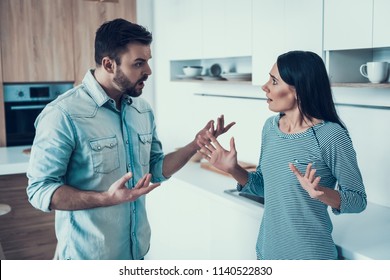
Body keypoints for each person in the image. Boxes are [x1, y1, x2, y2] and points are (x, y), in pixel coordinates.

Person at [26, 18, 234, 260]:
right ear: (109, 64)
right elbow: (40, 190)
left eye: (147, 61)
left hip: (135, 255)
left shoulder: (142, 110)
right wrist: (106, 199)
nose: (148, 71)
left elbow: (155, 168)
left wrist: (194, 145)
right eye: (138, 63)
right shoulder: (63, 114)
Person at [197, 50, 367, 260]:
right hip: (267, 253)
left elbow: (358, 200)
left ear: (299, 90)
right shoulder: (271, 127)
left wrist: (321, 193)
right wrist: (234, 169)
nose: (265, 86)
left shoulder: (331, 135)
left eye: (274, 81)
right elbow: (263, 186)